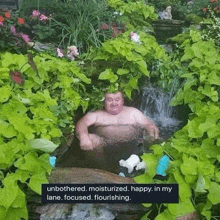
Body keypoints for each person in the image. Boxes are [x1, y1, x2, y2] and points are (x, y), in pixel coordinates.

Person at [76, 90, 159, 152]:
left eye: (117, 99)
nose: (114, 103)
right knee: (91, 138)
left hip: (132, 143)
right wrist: (84, 137)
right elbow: (82, 123)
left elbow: (148, 124)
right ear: (104, 102)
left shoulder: (133, 112)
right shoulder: (96, 114)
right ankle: (101, 168)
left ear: (123, 101)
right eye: (109, 100)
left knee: (150, 137)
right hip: (104, 142)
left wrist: (151, 130)